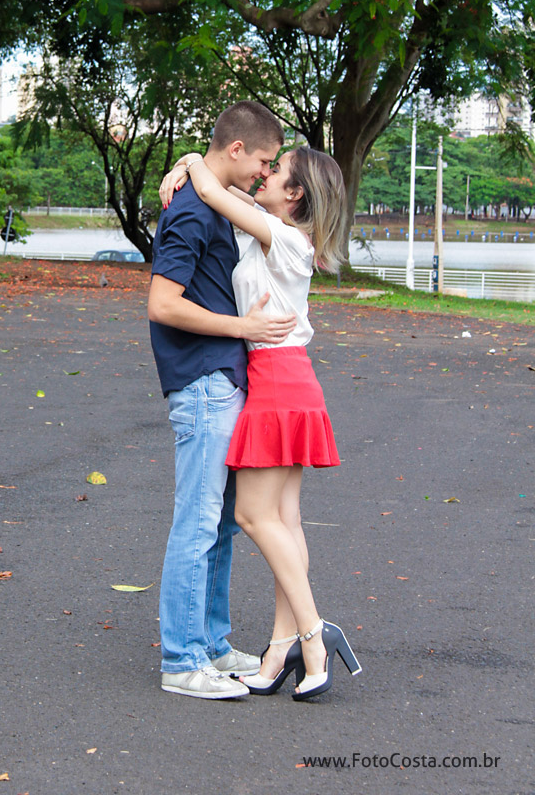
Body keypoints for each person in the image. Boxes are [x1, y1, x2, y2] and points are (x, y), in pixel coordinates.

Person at [159, 143, 362, 701]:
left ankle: (315, 633)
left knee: (251, 514)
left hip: (277, 378)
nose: (265, 174)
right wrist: (186, 163)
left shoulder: (288, 239)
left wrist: (194, 164)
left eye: (276, 172)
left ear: (294, 194)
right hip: (285, 377)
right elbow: (214, 193)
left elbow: (209, 189)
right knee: (286, 522)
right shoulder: (262, 234)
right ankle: (279, 649)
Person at [148, 101, 296, 700]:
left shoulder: (213, 202)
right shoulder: (188, 210)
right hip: (204, 382)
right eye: (262, 161)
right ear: (236, 150)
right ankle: (182, 661)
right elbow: (162, 304)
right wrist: (244, 330)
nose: (265, 174)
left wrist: (188, 159)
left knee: (222, 527)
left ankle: (210, 643)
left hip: (225, 382)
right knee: (198, 521)